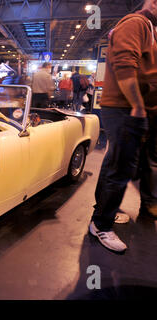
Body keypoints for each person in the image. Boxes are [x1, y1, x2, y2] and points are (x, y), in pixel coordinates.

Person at [89, 0, 157, 253]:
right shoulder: (136, 23)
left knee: (114, 165)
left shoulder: (146, 27)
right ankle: (101, 225)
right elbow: (125, 65)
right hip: (125, 108)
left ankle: (101, 215)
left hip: (127, 108)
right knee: (120, 170)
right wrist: (138, 107)